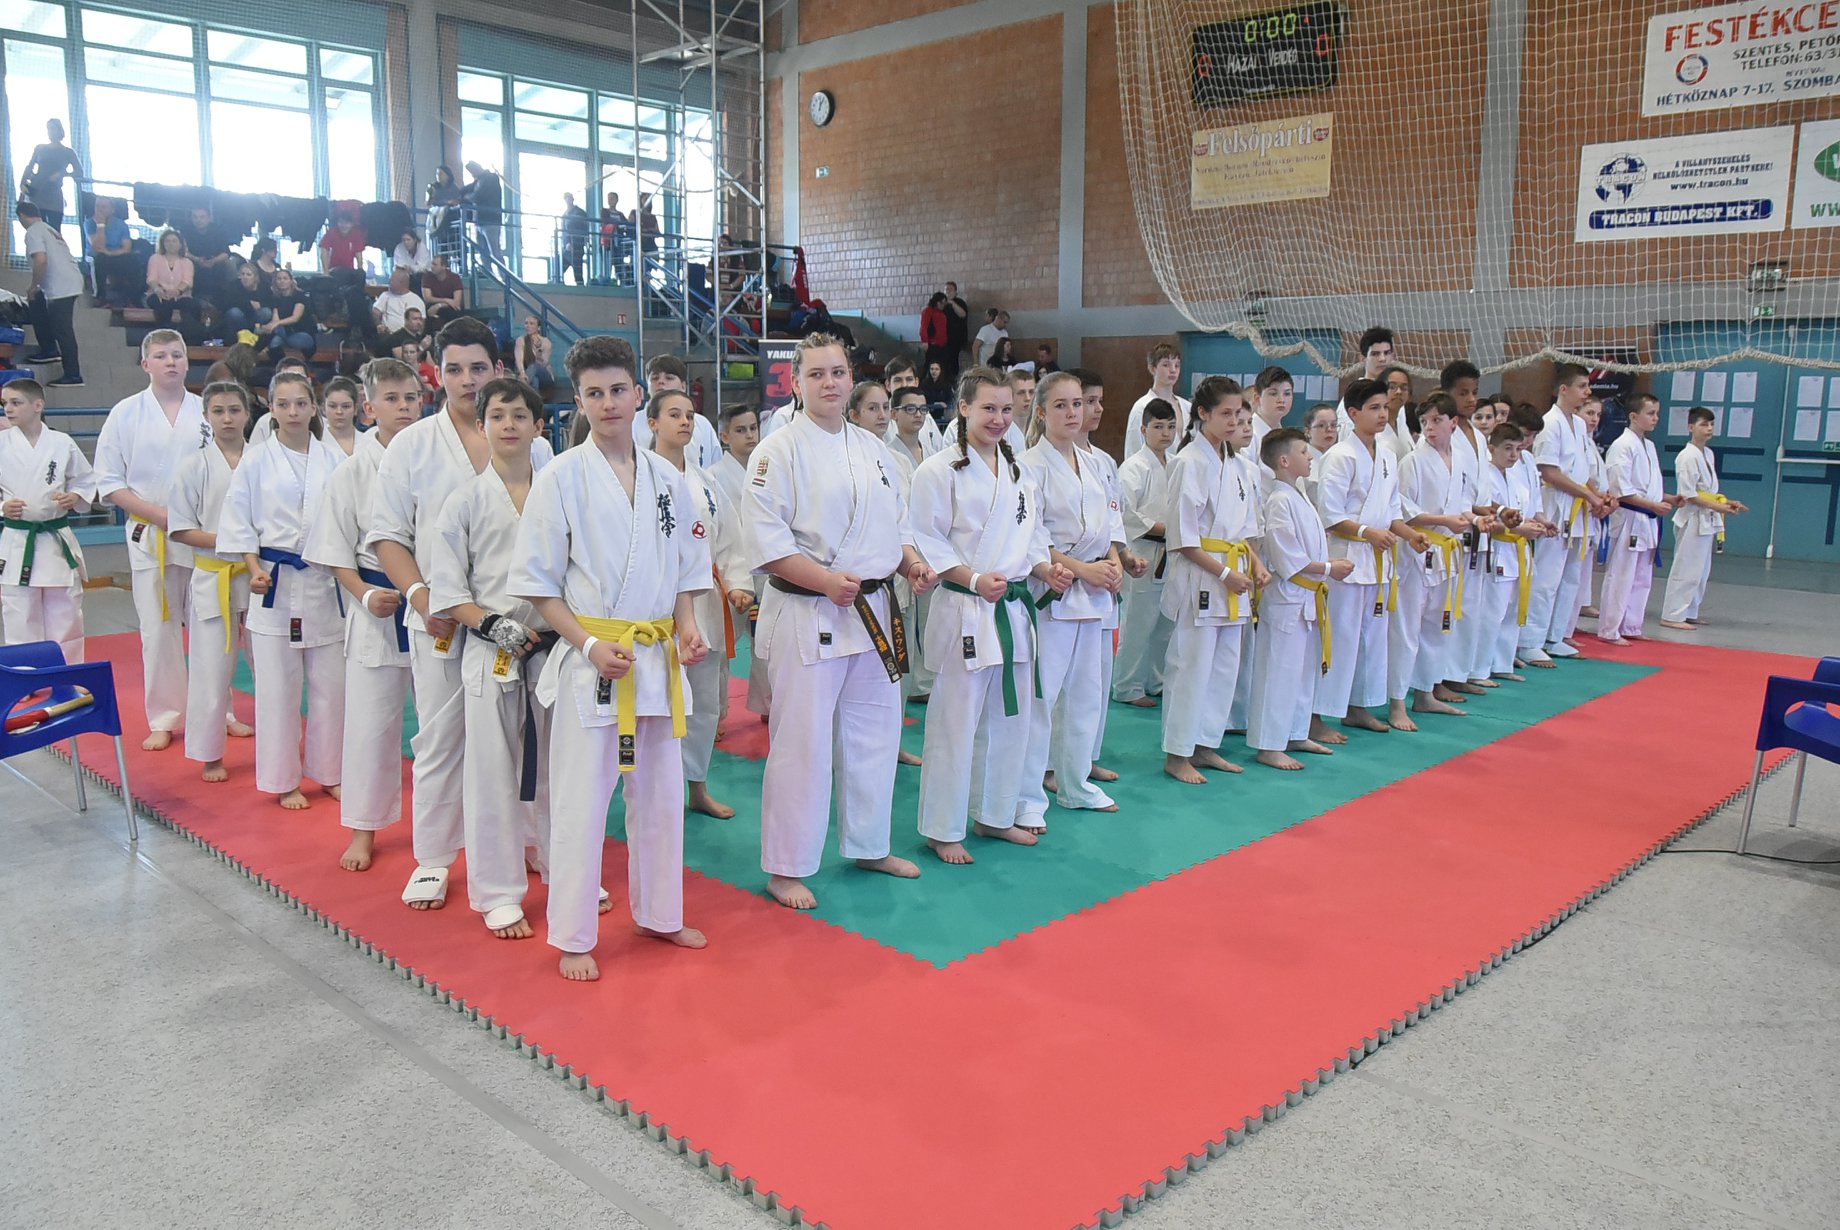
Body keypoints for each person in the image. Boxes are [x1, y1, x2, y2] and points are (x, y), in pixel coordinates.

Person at [510, 335, 711, 980]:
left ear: (638, 393)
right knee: (581, 800)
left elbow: (687, 568)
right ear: (578, 401)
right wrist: (589, 644)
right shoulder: (560, 478)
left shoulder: (666, 478)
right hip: (594, 660)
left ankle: (661, 913)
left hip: (655, 660)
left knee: (660, 796)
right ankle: (573, 933)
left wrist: (687, 627)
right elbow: (538, 584)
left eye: (618, 390)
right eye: (594, 393)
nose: (608, 403)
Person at [743, 332, 935, 910]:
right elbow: (767, 543)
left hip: (872, 609)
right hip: (810, 610)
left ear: (851, 379)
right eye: (817, 374)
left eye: (838, 372)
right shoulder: (777, 452)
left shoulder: (875, 449)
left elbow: (898, 525)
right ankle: (786, 867)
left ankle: (870, 844)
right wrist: (825, 581)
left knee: (876, 732)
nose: (829, 383)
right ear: (796, 382)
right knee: (801, 744)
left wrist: (911, 562)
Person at [371, 317, 555, 911]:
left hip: (527, 625)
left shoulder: (536, 444)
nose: (467, 379)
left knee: (531, 741)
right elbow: (388, 536)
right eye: (454, 369)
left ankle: (535, 844)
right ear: (438, 374)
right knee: (441, 739)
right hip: (442, 619)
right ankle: (434, 857)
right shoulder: (411, 444)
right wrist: (425, 600)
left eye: (478, 368)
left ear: (497, 370)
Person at [910, 367, 1064, 863]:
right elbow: (925, 538)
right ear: (964, 408)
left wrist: (1046, 568)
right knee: (955, 724)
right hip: (966, 607)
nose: (999, 418)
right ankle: (942, 828)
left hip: (1013, 607)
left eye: (1006, 409)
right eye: (988, 409)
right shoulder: (938, 471)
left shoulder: (1018, 471)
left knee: (1010, 720)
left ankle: (995, 815)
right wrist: (974, 579)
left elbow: (1033, 535)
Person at [426, 376, 555, 937]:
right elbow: (448, 590)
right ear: (481, 426)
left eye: (520, 415)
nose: (509, 425)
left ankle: (562, 865)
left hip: (553, 647)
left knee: (561, 767)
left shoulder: (560, 492)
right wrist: (491, 624)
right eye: (498, 416)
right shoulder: (464, 501)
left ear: (538, 426)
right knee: (491, 771)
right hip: (492, 649)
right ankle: (498, 891)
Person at [301, 358, 421, 869]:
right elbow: (333, 549)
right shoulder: (351, 471)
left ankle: (456, 828)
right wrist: (364, 595)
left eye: (411, 398)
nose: (403, 407)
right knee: (371, 726)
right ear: (369, 408)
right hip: (377, 606)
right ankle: (364, 828)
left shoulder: (438, 461)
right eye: (391, 399)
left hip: (437, 608)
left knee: (447, 729)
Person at [217, 371, 347, 810]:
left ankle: (330, 771)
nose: (293, 412)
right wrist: (253, 568)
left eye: (301, 403)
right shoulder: (256, 460)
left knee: (331, 687)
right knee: (276, 689)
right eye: (284, 404)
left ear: (314, 408)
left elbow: (349, 519)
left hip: (323, 581)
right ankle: (282, 778)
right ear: (270, 408)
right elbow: (239, 520)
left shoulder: (334, 459)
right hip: (272, 582)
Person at [1018, 371, 1132, 819]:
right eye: (1061, 405)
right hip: (1054, 590)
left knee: (1087, 694)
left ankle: (1076, 784)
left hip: (1094, 594)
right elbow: (1030, 535)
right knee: (1042, 698)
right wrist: (1083, 570)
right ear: (1041, 412)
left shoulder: (1096, 462)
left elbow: (1110, 524)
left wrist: (1115, 563)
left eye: (1077, 404)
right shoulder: (1028, 465)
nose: (1072, 412)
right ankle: (1028, 797)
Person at [94, 330, 207, 746]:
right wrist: (161, 515)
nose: (171, 362)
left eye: (177, 354)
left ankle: (218, 709)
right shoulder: (125, 414)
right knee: (158, 628)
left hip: (203, 534)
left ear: (187, 362)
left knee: (211, 625)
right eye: (161, 356)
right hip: (151, 532)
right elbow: (109, 482)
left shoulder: (206, 410)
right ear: (145, 364)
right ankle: (164, 717)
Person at [1159, 377, 1267, 783]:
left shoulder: (1238, 465)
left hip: (1234, 575)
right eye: (1225, 413)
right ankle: (1177, 753)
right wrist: (1225, 573)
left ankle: (1206, 745)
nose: (1234, 421)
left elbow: (1244, 530)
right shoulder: (1188, 462)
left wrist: (1255, 564)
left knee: (1224, 668)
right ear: (1203, 413)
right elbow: (1182, 538)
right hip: (1203, 578)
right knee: (1191, 666)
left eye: (1239, 414)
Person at [1311, 377, 1428, 744]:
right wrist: (1367, 533)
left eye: (1385, 408)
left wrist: (1409, 535)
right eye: (1374, 408)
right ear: (1353, 413)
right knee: (1338, 638)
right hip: (1346, 560)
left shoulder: (1388, 456)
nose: (1382, 414)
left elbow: (1391, 512)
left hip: (1377, 562)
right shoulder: (1340, 456)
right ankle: (1316, 715)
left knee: (1371, 639)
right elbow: (1330, 515)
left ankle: (1358, 706)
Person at [646, 386, 742, 817]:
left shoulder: (706, 483)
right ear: (652, 423)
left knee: (703, 705)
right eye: (674, 414)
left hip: (702, 605)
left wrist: (737, 583)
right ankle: (649, 792)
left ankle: (697, 787)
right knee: (652, 706)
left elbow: (730, 540)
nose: (685, 421)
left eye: (689, 414)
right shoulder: (635, 476)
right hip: (649, 610)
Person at [168, 381, 257, 782]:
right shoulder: (193, 466)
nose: (227, 418)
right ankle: (210, 754)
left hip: (260, 576)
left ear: (247, 414)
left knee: (271, 669)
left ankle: (280, 750)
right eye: (218, 411)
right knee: (210, 668)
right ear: (206, 417)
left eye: (234, 410)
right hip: (214, 573)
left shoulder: (263, 460)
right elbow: (180, 528)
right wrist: (230, 541)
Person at [1248, 428, 1349, 770]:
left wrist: (1326, 567)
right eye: (1304, 452)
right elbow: (1287, 558)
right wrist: (1330, 568)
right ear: (1284, 461)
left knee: (1304, 672)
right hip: (1287, 599)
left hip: (1308, 598)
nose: (1310, 457)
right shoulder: (1279, 500)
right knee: (1279, 673)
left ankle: (1295, 732)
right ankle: (1269, 744)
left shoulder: (1298, 495)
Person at [1388, 392, 1476, 726]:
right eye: (1424, 421)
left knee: (1438, 625)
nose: (1429, 428)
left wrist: (1481, 520)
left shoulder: (1461, 460)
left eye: (1437, 420)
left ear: (1454, 422)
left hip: (1448, 551)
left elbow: (1464, 505)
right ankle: (1397, 703)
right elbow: (1402, 509)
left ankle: (1425, 693)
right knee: (1407, 628)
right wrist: (1443, 521)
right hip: (1417, 549)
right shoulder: (1412, 461)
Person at [0, 378, 93, 662]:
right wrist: (3, 506)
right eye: (5, 403)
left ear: (38, 405)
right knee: (19, 616)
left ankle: (67, 674)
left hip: (54, 540)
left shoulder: (62, 443)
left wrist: (75, 496)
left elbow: (85, 480)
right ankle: (27, 676)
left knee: (66, 614)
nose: (8, 409)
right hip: (18, 540)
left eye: (16, 403)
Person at [1525, 365, 1612, 664]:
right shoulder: (1550, 423)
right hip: (1556, 507)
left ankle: (1556, 636)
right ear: (1564, 389)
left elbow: (1583, 472)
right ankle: (1530, 641)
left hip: (1579, 509)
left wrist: (1598, 496)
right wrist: (1588, 495)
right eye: (1582, 386)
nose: (1587, 392)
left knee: (1570, 578)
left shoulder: (1577, 424)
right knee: (1547, 578)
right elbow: (1548, 471)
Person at [1112, 397, 1177, 706]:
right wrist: (1164, 529)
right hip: (1143, 552)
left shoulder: (1176, 464)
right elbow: (1126, 513)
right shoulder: (1133, 467)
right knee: (1138, 622)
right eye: (1158, 427)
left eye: (1171, 427)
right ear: (1143, 429)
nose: (1165, 433)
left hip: (1172, 553)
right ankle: (1127, 686)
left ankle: (1155, 679)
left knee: (1165, 622)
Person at [1594, 392, 1673, 645]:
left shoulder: (1648, 446)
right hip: (1629, 517)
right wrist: (1653, 505)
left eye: (1657, 413)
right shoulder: (1622, 445)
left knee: (1641, 576)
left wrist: (1670, 499)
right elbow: (1621, 490)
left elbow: (1650, 487)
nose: (1655, 418)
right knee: (1621, 574)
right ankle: (1609, 629)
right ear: (1633, 416)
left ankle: (1631, 625)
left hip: (1647, 518)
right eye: (1650, 413)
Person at [1660, 406, 1748, 630]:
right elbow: (1689, 494)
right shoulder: (1686, 456)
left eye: (1711, 425)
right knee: (1686, 568)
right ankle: (1672, 615)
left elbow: (1707, 492)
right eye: (1703, 424)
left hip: (1707, 517)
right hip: (1691, 517)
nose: (1709, 429)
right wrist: (1720, 507)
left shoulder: (1708, 453)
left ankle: (1690, 611)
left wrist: (1726, 503)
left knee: (1701, 570)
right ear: (1691, 427)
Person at [711, 402, 771, 720]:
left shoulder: (767, 469)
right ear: (724, 436)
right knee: (722, 646)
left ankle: (767, 705)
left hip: (765, 569)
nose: (749, 435)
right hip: (730, 573)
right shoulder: (713, 477)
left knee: (766, 642)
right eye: (740, 430)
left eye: (753, 428)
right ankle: (717, 714)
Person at [20, 203, 84, 389]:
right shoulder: (49, 229)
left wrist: (34, 285)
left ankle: (73, 374)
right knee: (36, 303)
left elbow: (41, 260)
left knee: (63, 330)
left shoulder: (33, 231)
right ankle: (49, 349)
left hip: (61, 284)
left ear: (22, 216)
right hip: (70, 279)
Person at [633, 354, 722, 467]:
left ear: (683, 386)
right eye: (655, 378)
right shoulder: (632, 423)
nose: (661, 382)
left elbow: (715, 464)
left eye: (669, 378)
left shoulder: (702, 424)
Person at [1125, 342, 1191, 458]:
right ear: (1152, 368)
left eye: (1177, 365)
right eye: (1166, 365)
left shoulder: (1187, 407)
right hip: (1152, 468)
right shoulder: (1142, 407)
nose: (1173, 370)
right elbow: (1133, 451)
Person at [1335, 326, 1399, 440]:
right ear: (1363, 359)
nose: (1382, 359)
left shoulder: (1396, 395)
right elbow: (1345, 438)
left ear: (1392, 356)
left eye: (1387, 353)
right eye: (1375, 354)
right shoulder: (1355, 395)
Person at [19, 119, 81, 229]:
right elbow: (30, 166)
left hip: (54, 195)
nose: (50, 132)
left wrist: (61, 174)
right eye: (49, 129)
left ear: (60, 130)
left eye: (53, 128)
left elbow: (79, 172)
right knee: (38, 229)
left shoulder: (68, 152)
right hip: (37, 193)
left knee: (54, 230)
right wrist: (23, 183)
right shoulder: (40, 148)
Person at [87, 196, 139, 308]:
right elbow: (98, 246)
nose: (100, 209)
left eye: (103, 207)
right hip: (97, 256)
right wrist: (100, 225)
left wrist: (110, 253)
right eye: (97, 206)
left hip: (114, 255)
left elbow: (127, 248)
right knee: (99, 259)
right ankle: (100, 298)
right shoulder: (90, 223)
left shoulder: (121, 224)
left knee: (133, 260)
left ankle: (134, 299)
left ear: (112, 210)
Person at [178, 206, 235, 304]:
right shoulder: (185, 230)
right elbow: (182, 251)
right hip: (193, 261)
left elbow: (226, 253)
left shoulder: (218, 230)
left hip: (216, 263)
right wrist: (196, 259)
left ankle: (232, 296)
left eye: (202, 217)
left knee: (230, 265)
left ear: (209, 218)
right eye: (195, 217)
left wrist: (214, 261)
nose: (198, 220)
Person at [144, 229, 198, 328]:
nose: (171, 244)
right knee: (163, 306)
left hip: (181, 296)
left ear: (180, 244)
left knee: (192, 306)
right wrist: (158, 289)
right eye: (167, 241)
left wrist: (177, 291)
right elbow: (152, 278)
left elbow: (187, 281)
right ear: (163, 244)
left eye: (174, 241)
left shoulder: (187, 262)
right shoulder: (155, 258)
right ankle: (164, 331)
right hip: (158, 294)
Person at [463, 162, 505, 262]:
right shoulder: (479, 180)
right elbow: (466, 190)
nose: (472, 174)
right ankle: (488, 271)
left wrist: (466, 197)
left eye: (472, 172)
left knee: (495, 252)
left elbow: (478, 196)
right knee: (483, 253)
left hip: (490, 221)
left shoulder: (491, 178)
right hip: (480, 221)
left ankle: (503, 272)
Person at [217, 263, 270, 339]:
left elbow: (270, 302)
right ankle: (242, 336)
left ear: (255, 277)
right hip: (240, 318)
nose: (245, 277)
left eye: (249, 275)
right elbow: (227, 303)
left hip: (256, 319)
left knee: (266, 312)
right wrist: (249, 303)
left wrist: (260, 305)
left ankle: (256, 336)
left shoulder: (263, 288)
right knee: (234, 312)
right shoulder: (234, 285)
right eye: (242, 274)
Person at [372, 268, 426, 339]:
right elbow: (375, 312)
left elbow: (421, 325)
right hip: (386, 336)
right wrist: (379, 325)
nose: (389, 283)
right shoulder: (385, 295)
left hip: (407, 338)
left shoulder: (416, 300)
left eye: (392, 281)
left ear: (401, 283)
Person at [426, 164, 464, 256]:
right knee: (442, 247)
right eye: (437, 174)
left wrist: (454, 202)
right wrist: (447, 202)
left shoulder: (454, 187)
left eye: (441, 173)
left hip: (452, 217)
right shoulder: (432, 187)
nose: (438, 176)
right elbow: (429, 202)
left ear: (448, 175)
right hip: (438, 218)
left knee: (456, 244)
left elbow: (458, 200)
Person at [514, 316, 555, 397]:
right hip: (528, 375)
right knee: (534, 380)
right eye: (526, 323)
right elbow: (518, 359)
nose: (528, 326)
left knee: (534, 366)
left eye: (531, 324)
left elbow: (544, 363)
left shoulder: (545, 342)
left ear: (538, 327)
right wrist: (522, 373)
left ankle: (520, 388)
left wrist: (537, 353)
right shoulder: (521, 340)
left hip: (544, 375)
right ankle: (534, 400)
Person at [420, 253, 465, 323]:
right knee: (428, 311)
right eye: (432, 264)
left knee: (455, 311)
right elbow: (427, 298)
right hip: (433, 305)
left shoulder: (455, 278)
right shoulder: (427, 276)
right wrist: (446, 300)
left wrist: (439, 305)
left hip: (449, 307)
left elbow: (456, 302)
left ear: (443, 267)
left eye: (435, 265)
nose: (432, 267)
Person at [560, 193, 590, 286]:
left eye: (569, 198)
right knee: (562, 266)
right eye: (566, 198)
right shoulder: (565, 214)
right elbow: (564, 231)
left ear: (572, 199)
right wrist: (565, 243)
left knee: (577, 269)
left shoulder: (579, 213)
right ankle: (558, 282)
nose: (568, 200)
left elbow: (581, 228)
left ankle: (580, 286)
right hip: (567, 246)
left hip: (576, 245)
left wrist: (573, 242)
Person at [943, 282, 970, 379]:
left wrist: (952, 303)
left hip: (956, 338)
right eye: (946, 289)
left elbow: (963, 315)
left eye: (950, 290)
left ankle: (953, 380)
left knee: (953, 360)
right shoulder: (941, 304)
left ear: (955, 292)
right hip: (943, 338)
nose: (948, 292)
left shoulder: (960, 302)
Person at [920, 293, 951, 377]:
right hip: (933, 344)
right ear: (936, 302)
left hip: (942, 344)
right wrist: (925, 341)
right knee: (930, 366)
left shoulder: (942, 312)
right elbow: (924, 327)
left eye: (944, 303)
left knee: (942, 367)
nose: (943, 305)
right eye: (941, 302)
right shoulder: (928, 311)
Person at [599, 191, 624, 282]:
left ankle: (620, 280)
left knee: (618, 263)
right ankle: (607, 279)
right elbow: (604, 222)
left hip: (618, 242)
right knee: (607, 262)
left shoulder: (620, 214)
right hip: (607, 241)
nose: (610, 200)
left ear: (617, 200)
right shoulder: (604, 211)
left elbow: (625, 224)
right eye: (609, 198)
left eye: (612, 198)